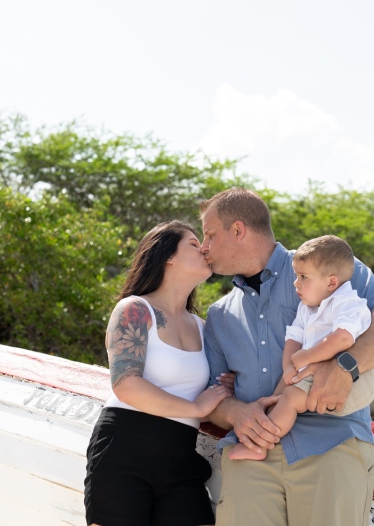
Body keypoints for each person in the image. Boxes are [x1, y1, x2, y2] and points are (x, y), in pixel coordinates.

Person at [200, 188, 374, 526]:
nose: (204, 247)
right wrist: (236, 413)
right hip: (249, 455)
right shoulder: (218, 316)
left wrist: (347, 365)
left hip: (332, 442)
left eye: (209, 235)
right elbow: (213, 394)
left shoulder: (324, 266)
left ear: (238, 230)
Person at [84, 221, 232, 526]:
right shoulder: (135, 309)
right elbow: (126, 384)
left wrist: (224, 386)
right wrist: (195, 408)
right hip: (124, 450)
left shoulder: (203, 327)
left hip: (180, 457)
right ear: (168, 256)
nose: (205, 248)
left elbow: (212, 387)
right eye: (193, 243)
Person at [227, 234, 374, 461]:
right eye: (296, 275)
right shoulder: (308, 308)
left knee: (290, 398)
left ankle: (260, 445)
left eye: (303, 277)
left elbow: (343, 339)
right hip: (316, 371)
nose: (296, 282)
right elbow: (294, 337)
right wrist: (289, 365)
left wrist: (304, 357)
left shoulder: (348, 304)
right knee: (280, 391)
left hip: (353, 380)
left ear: (331, 282)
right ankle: (264, 419)